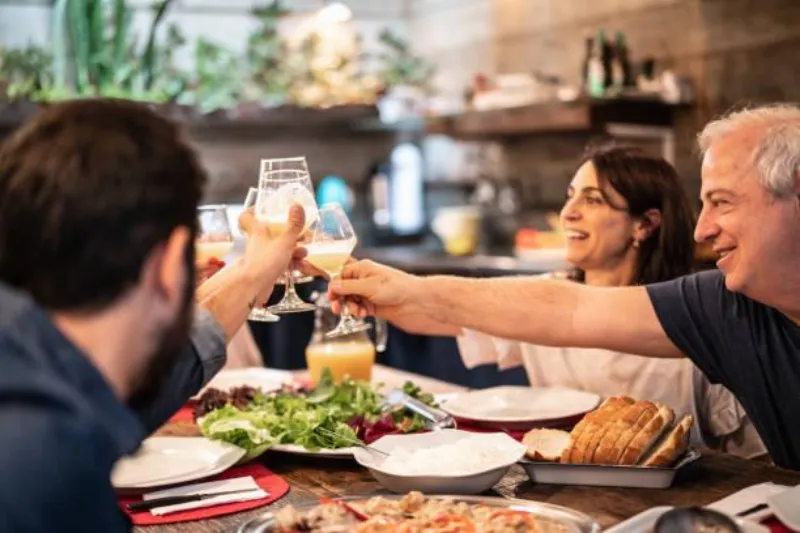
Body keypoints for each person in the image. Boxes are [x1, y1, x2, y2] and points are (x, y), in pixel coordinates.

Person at [328, 104, 800, 469]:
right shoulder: (719, 306)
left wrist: (409, 288)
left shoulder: (706, 315)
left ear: (645, 225)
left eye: (722, 202)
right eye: (571, 196)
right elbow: (566, 309)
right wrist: (388, 286)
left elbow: (750, 467)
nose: (703, 230)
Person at [0, 99, 303, 531]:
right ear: (170, 264)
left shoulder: (38, 374)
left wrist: (252, 275)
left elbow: (120, 397)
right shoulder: (49, 466)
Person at [455, 146, 764, 458]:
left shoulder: (693, 314)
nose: (567, 213)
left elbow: (753, 461)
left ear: (645, 224)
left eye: (592, 200)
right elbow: (442, 314)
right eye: (570, 195)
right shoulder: (544, 298)